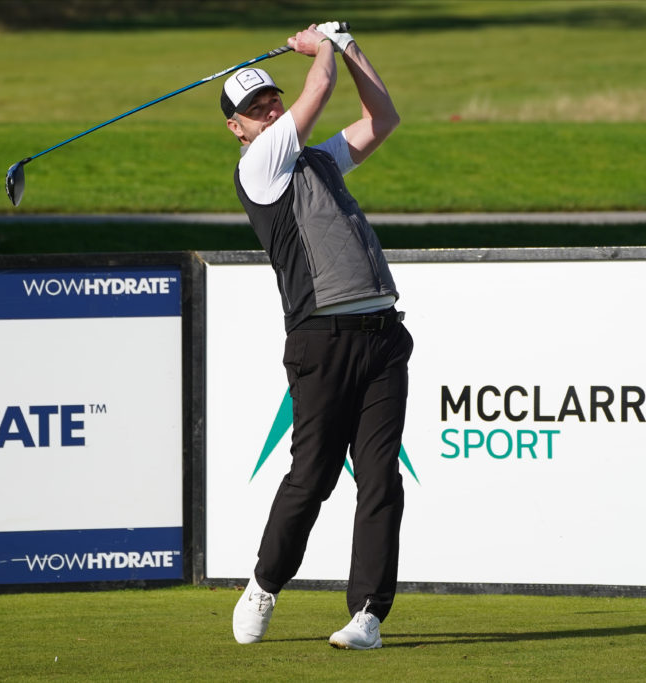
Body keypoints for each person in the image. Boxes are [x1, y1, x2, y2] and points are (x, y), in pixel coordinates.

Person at [221, 22, 413, 650]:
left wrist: (350, 44)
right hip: (321, 339)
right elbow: (320, 88)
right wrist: (321, 47)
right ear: (238, 128)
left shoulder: (318, 160)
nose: (269, 109)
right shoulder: (260, 164)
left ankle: (367, 616)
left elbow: (382, 119)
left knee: (380, 476)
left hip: (383, 334)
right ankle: (265, 583)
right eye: (256, 109)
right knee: (314, 476)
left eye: (271, 99)